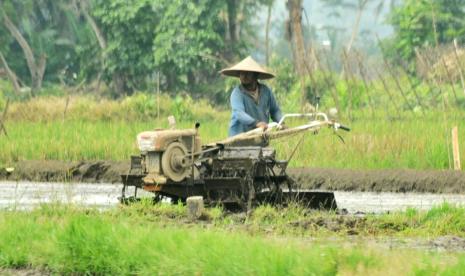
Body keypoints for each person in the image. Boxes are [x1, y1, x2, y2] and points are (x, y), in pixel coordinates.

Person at [220, 56, 283, 137]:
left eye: (248, 73)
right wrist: (257, 123)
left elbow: (275, 111)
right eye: (242, 73)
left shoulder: (266, 91)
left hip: (260, 137)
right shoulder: (237, 93)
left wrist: (281, 122)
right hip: (239, 139)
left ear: (256, 75)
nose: (244, 76)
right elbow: (239, 113)